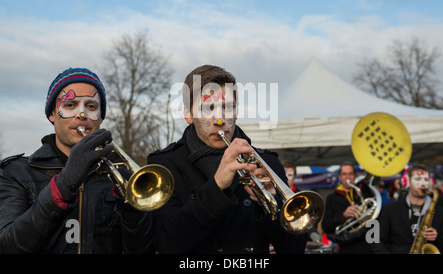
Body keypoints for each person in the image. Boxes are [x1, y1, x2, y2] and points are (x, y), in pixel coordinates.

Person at [147, 64, 307, 253]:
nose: (219, 120)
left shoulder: (267, 163)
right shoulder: (165, 164)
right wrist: (216, 187)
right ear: (188, 114)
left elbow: (294, 249)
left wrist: (272, 205)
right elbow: (166, 244)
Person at [0, 67, 153, 253]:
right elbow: (8, 246)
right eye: (70, 105)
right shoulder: (16, 173)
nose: (82, 115)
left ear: (101, 117)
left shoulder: (122, 176)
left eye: (91, 106)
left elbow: (141, 250)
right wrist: (63, 185)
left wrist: (132, 210)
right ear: (51, 115)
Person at [371, 164, 443, 254]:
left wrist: (437, 238)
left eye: (426, 179)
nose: (423, 184)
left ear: (431, 183)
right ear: (406, 182)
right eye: (418, 179)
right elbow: (375, 240)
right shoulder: (389, 209)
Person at [322, 161, 373, 253]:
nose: (348, 177)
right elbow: (325, 226)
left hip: (367, 245)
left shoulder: (364, 192)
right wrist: (343, 216)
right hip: (346, 247)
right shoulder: (332, 198)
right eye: (344, 174)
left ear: (355, 176)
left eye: (351, 174)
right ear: (340, 177)